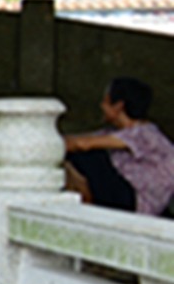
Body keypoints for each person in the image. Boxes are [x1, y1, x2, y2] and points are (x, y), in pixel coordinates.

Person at [62, 77, 174, 215]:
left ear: (118, 106)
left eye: (105, 101)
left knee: (89, 156)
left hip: (138, 202)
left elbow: (82, 144)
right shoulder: (115, 132)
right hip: (124, 194)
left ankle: (86, 205)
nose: (101, 106)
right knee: (73, 154)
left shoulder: (145, 133)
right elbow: (78, 140)